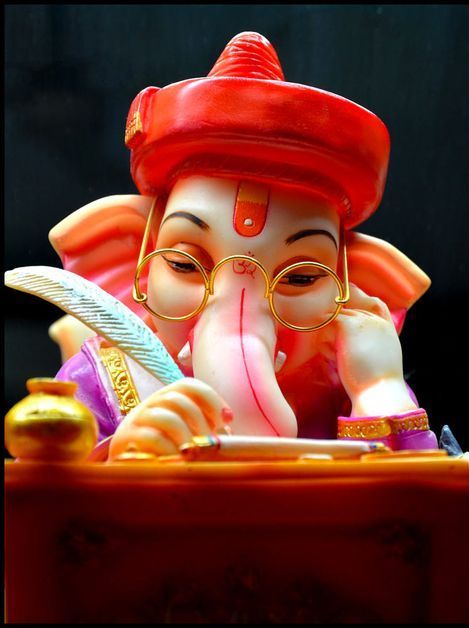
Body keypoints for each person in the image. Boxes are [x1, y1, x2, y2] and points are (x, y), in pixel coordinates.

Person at [48, 32, 437, 459]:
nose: (238, 310)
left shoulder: (346, 382)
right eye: (185, 264)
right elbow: (43, 490)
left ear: (356, 284)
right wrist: (122, 457)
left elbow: (415, 492)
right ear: (130, 262)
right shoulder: (99, 381)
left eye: (301, 277)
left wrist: (378, 389)